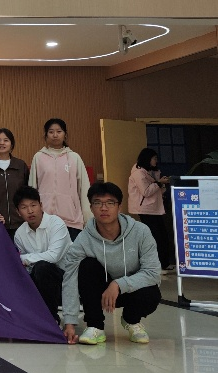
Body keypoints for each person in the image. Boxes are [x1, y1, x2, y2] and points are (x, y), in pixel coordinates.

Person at [63, 182, 162, 345]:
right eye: (97, 203)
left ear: (119, 207)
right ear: (91, 207)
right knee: (87, 265)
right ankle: (95, 326)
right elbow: (70, 278)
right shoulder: (84, 239)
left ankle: (131, 320)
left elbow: (153, 273)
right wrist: (69, 322)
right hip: (100, 291)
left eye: (110, 203)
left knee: (151, 294)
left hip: (130, 290)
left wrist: (118, 284)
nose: (104, 208)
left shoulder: (141, 232)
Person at [13, 186, 70, 322]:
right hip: (38, 279)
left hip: (65, 278)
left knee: (42, 267)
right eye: (24, 207)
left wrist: (23, 258)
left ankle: (51, 319)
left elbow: (54, 256)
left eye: (33, 205)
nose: (30, 211)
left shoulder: (56, 223)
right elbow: (24, 268)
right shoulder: (19, 234)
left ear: (41, 205)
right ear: (18, 212)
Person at [28, 118, 91, 238]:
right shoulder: (38, 157)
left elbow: (84, 189)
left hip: (72, 220)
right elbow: (32, 188)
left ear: (65, 134)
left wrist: (88, 218)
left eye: (59, 131)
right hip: (44, 220)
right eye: (51, 132)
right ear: (46, 135)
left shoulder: (74, 157)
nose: (55, 135)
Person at [128, 148, 174, 270]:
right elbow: (146, 191)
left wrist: (162, 184)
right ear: (147, 158)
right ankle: (157, 264)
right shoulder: (138, 173)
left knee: (162, 236)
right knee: (156, 236)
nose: (156, 161)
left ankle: (164, 263)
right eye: (154, 158)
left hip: (154, 208)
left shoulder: (151, 172)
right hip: (145, 209)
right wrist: (158, 183)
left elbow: (158, 191)